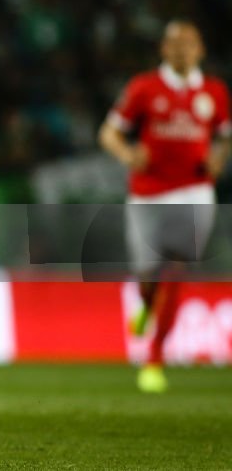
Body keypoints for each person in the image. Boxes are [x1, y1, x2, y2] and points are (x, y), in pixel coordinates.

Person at [99, 20, 231, 393]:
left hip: (194, 191)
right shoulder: (144, 88)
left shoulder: (215, 92)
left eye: (189, 44)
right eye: (175, 44)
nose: (182, 51)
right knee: (148, 275)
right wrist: (128, 154)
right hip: (148, 194)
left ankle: (154, 358)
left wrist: (218, 160)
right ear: (164, 50)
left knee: (176, 267)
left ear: (200, 50)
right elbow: (108, 132)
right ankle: (145, 303)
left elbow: (224, 138)